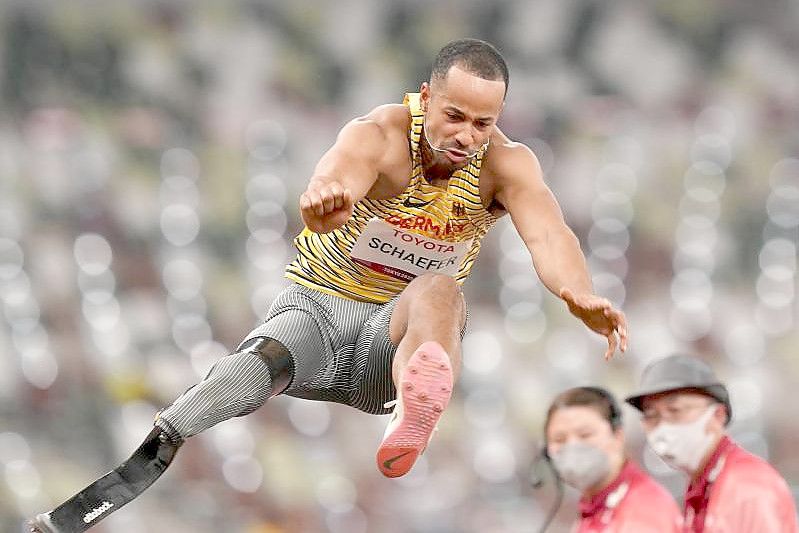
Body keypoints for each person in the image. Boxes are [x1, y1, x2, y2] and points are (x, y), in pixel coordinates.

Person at [27, 38, 627, 532]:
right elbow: (332, 180)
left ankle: (415, 406)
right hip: (318, 309)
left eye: (482, 123)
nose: (466, 136)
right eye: (454, 116)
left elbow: (550, 235)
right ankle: (78, 514)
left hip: (390, 340)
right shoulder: (380, 134)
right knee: (241, 374)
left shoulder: (507, 163)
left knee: (442, 291)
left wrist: (578, 293)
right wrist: (325, 203)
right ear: (426, 99)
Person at [625, 354, 798, 533]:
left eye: (675, 410)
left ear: (718, 415)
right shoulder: (704, 486)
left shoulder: (747, 486)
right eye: (651, 416)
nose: (662, 426)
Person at [542, 386, 681, 532]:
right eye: (559, 439)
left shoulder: (644, 510)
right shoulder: (594, 508)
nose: (572, 447)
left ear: (618, 436)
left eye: (585, 435)